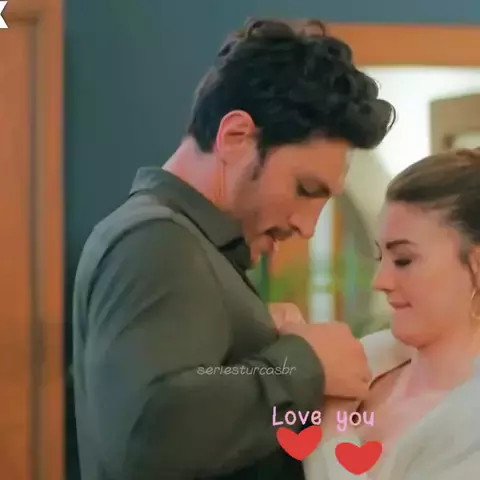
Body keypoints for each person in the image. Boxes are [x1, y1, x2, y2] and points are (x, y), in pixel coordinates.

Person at [71, 18, 395, 480]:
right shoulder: (158, 241)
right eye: (305, 189)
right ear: (235, 137)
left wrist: (269, 345)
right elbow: (149, 434)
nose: (307, 227)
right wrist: (307, 363)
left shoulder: (180, 244)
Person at [304, 147, 480, 479]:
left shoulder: (471, 426)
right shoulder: (358, 364)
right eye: (380, 258)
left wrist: (333, 418)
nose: (380, 282)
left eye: (403, 260)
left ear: (476, 266)